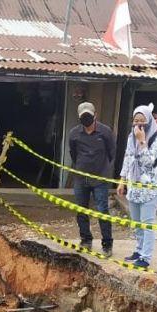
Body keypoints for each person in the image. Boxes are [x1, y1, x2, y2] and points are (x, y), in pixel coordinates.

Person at [117, 104, 157, 269]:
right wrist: (122, 180)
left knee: (147, 223)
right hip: (134, 186)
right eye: (135, 120)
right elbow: (128, 158)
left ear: (149, 121)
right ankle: (138, 250)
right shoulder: (131, 137)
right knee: (136, 222)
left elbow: (149, 162)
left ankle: (145, 257)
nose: (138, 124)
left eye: (142, 120)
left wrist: (142, 141)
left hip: (150, 188)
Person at [68, 102, 116, 256]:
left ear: (95, 115)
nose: (86, 119)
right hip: (81, 179)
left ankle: (107, 243)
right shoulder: (74, 133)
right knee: (82, 211)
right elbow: (73, 154)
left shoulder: (105, 132)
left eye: (89, 116)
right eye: (83, 117)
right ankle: (86, 239)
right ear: (79, 117)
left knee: (102, 210)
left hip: (100, 179)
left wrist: (101, 169)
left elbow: (111, 153)